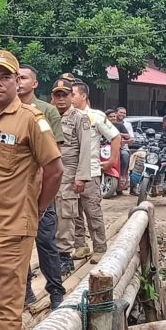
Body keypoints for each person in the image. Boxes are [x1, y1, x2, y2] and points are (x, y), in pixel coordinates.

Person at [0, 49, 62, 330]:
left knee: (7, 303)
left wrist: (36, 209)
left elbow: (54, 169)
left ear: (16, 82)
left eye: (5, 77)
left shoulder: (30, 120)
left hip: (12, 227)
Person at [17, 64, 66, 309]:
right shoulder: (1, 110)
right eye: (16, 77)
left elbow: (54, 159)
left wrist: (43, 202)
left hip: (40, 191)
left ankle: (56, 291)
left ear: (34, 83)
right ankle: (26, 291)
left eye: (24, 77)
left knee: (45, 243)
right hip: (15, 195)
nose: (19, 82)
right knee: (18, 246)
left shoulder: (46, 112)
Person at [70, 81, 120, 263]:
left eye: (73, 94)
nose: (70, 98)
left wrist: (112, 160)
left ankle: (99, 247)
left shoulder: (96, 117)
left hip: (90, 171)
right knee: (74, 212)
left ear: (83, 96)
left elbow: (115, 136)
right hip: (70, 172)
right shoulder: (67, 117)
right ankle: (80, 245)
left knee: (92, 211)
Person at [51, 78, 91, 278]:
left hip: (69, 172)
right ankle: (52, 256)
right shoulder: (48, 115)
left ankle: (64, 256)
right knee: (49, 215)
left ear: (71, 97)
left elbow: (85, 149)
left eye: (64, 95)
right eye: (57, 95)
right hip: (49, 172)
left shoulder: (79, 118)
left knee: (66, 214)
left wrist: (81, 177)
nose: (60, 100)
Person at [107, 108, 131, 186]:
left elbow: (128, 136)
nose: (113, 118)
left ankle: (122, 175)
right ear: (106, 118)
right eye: (111, 117)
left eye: (114, 116)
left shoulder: (120, 125)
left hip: (118, 148)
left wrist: (118, 134)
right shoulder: (102, 126)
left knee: (125, 155)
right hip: (104, 148)